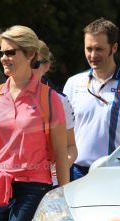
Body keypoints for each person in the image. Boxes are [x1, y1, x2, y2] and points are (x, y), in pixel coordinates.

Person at [0, 25, 69, 221]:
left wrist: (61, 198)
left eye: (10, 52)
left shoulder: (50, 99)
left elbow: (60, 151)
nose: (4, 57)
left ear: (30, 54)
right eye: (2, 53)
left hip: (34, 187)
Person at [63, 18, 120, 181]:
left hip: (113, 174)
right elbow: (62, 131)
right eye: (88, 49)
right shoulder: (73, 83)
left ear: (114, 48)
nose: (92, 55)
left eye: (99, 49)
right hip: (74, 172)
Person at [32, 40, 78, 187]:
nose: (28, 69)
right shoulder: (2, 95)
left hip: (48, 184)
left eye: (34, 64)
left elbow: (71, 147)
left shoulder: (59, 100)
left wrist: (57, 169)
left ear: (46, 66)